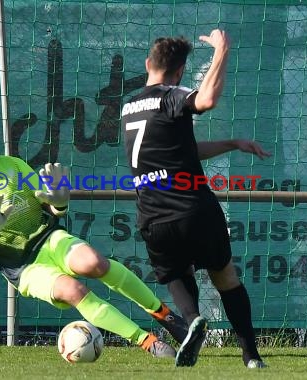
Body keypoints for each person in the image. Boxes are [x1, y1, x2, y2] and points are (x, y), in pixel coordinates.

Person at [0, 106, 204, 365]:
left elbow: (50, 205)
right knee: (74, 289)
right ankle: (147, 341)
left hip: (48, 238)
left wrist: (60, 200)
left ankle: (166, 316)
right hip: (23, 267)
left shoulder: (13, 165)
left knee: (95, 263)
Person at [121, 30, 271, 368]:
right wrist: (222, 49)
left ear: (148, 64)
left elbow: (182, 152)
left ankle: (192, 323)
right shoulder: (171, 95)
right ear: (179, 72)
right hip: (192, 208)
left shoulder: (130, 106)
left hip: (152, 215)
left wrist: (232, 142)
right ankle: (251, 356)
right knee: (225, 278)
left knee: (175, 273)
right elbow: (206, 101)